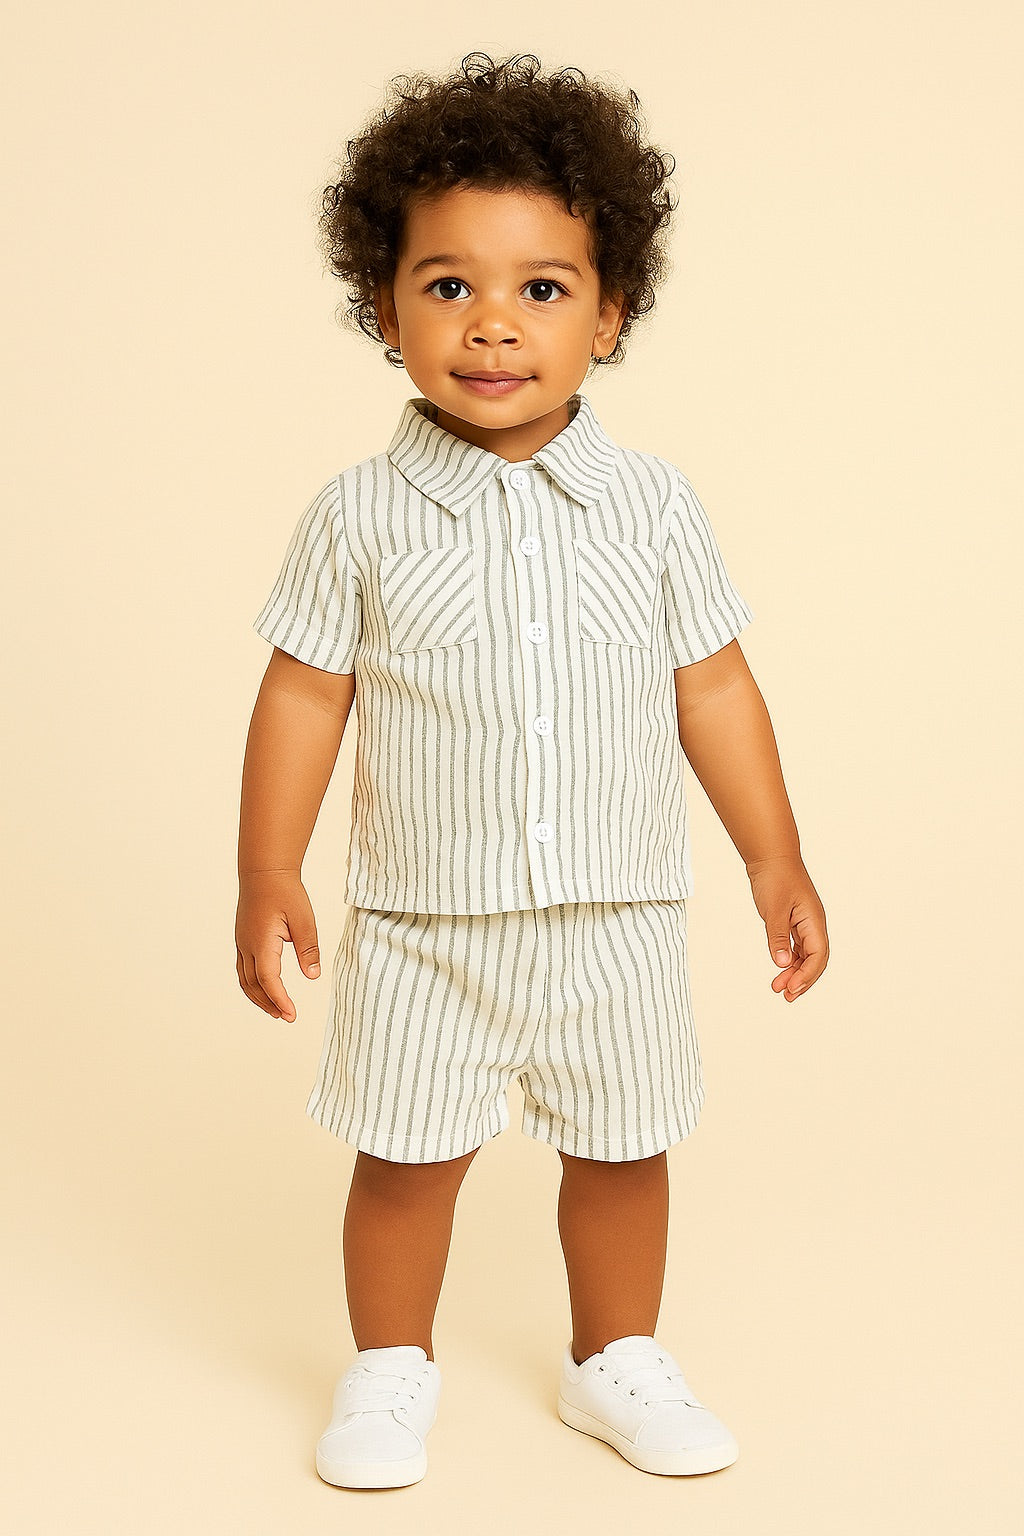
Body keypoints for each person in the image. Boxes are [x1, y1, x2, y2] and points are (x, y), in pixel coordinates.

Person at [235, 50, 829, 1491]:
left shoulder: (655, 506)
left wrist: (774, 855)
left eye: (543, 288)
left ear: (609, 313)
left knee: (625, 1150)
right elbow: (306, 692)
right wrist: (266, 867)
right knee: (404, 1160)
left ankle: (614, 1357)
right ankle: (389, 1367)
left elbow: (713, 685)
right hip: (424, 927)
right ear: (384, 306)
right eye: (447, 284)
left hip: (616, 918)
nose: (493, 322)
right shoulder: (358, 516)